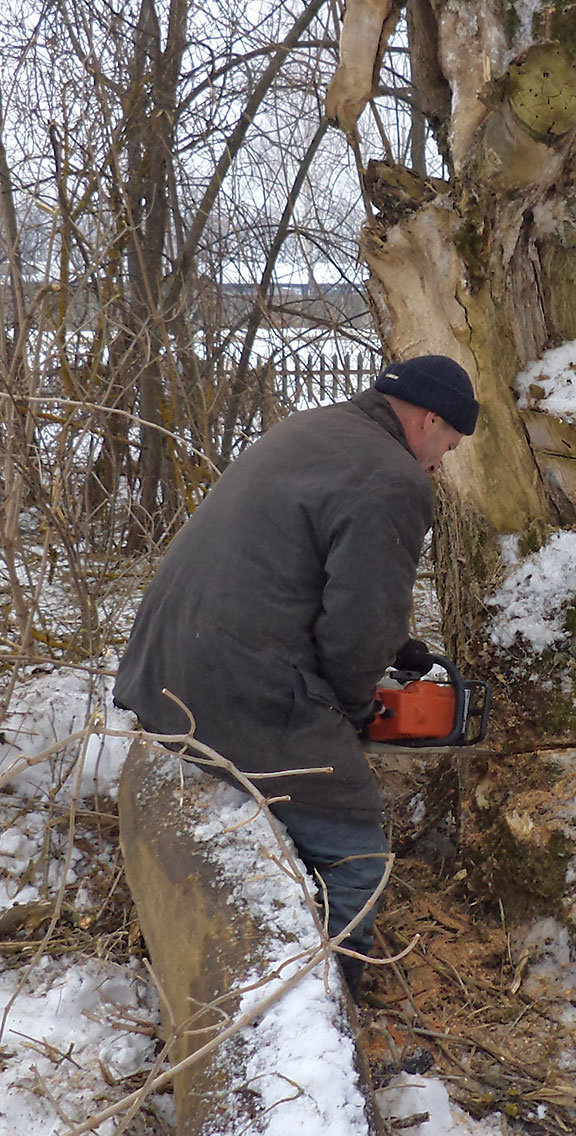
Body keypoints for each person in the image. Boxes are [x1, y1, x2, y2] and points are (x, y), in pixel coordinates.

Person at [114, 354, 478, 995]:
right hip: (236, 685)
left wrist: (398, 648)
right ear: (429, 420)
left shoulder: (311, 428)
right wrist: (354, 713)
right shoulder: (393, 479)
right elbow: (358, 629)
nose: (440, 463)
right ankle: (323, 1011)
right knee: (354, 850)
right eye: (447, 446)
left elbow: (295, 566)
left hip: (164, 664)